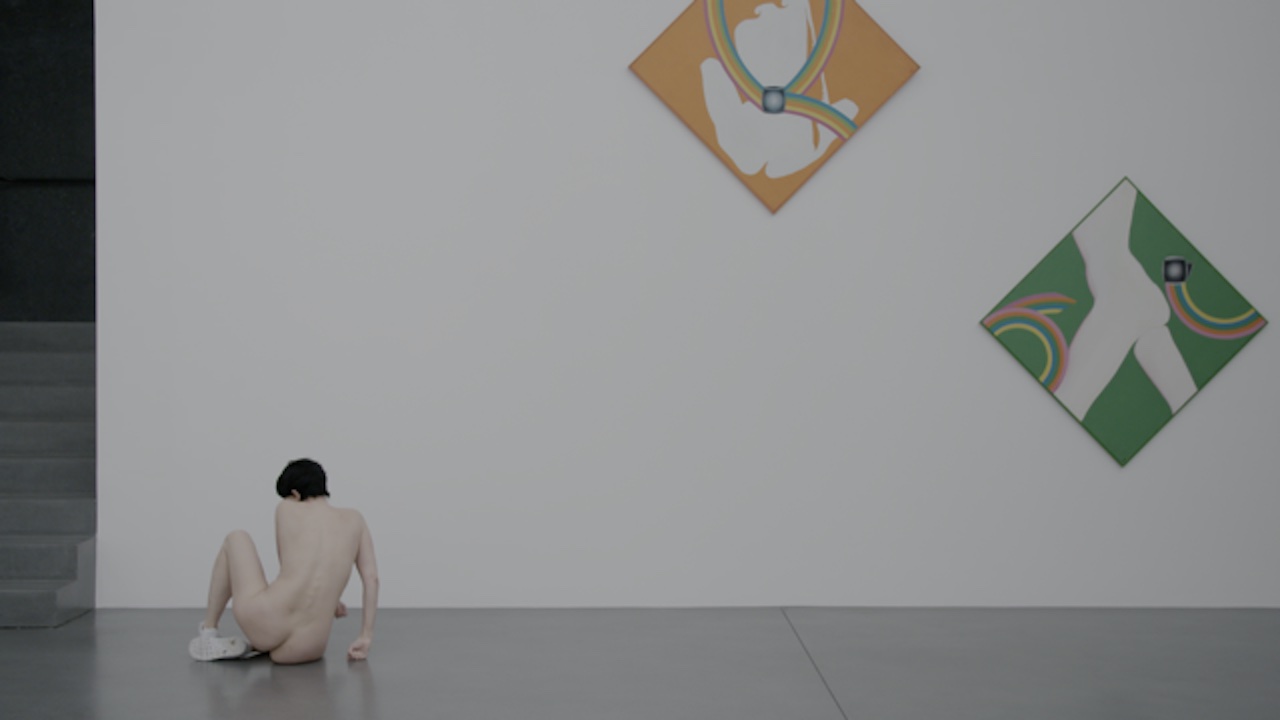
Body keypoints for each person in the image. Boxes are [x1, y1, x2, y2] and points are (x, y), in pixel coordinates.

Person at [188, 459, 379, 664]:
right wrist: (365, 636)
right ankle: (258, 646)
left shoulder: (286, 508)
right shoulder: (355, 519)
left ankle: (209, 631)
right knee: (295, 625)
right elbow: (372, 579)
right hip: (310, 646)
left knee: (235, 538)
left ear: (295, 494)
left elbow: (291, 569)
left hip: (267, 622)